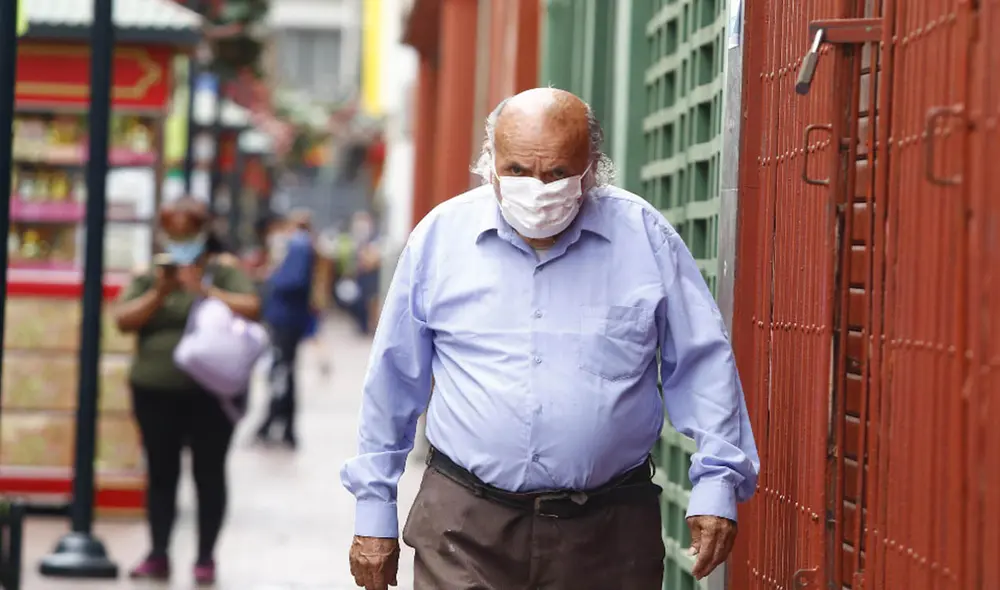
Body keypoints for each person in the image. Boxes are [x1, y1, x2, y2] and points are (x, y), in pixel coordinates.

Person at [341, 88, 760, 590]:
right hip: (465, 526)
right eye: (517, 170)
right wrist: (373, 513)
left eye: (557, 173)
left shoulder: (644, 237)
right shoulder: (440, 239)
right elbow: (392, 381)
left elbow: (703, 364)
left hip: (608, 532)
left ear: (592, 168)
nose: (537, 188)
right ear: (490, 164)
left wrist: (717, 485)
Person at [113, 197, 260, 584]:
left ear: (202, 231)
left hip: (211, 394)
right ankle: (158, 552)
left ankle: (205, 557)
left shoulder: (221, 270)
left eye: (188, 233)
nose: (180, 241)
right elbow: (122, 319)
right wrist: (160, 292)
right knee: (161, 473)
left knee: (208, 473)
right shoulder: (152, 273)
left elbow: (253, 307)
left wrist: (204, 291)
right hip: (155, 391)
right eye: (172, 233)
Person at [255, 209, 315, 448]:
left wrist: (270, 276)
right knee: (282, 370)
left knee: (282, 371)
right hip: (285, 317)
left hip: (286, 319)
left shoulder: (298, 245)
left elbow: (293, 281)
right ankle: (279, 423)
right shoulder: (298, 246)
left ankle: (277, 423)